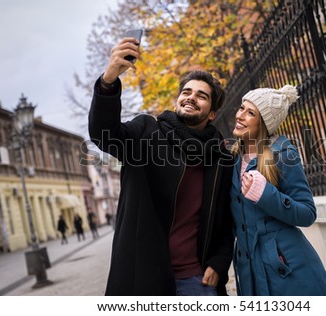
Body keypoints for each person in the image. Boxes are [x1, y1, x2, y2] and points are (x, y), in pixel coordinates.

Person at [88, 35, 234, 296]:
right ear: (177, 100)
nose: (191, 97)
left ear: (212, 113)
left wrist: (219, 262)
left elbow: (225, 217)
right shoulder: (146, 131)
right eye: (186, 92)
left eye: (201, 96)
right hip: (144, 277)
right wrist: (109, 80)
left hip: (196, 279)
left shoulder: (221, 156)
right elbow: (103, 134)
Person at [230, 85, 326, 295]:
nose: (240, 116)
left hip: (286, 270)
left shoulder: (282, 154)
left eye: (250, 113)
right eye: (241, 108)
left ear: (264, 123)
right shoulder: (232, 159)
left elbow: (307, 213)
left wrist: (265, 194)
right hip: (249, 271)